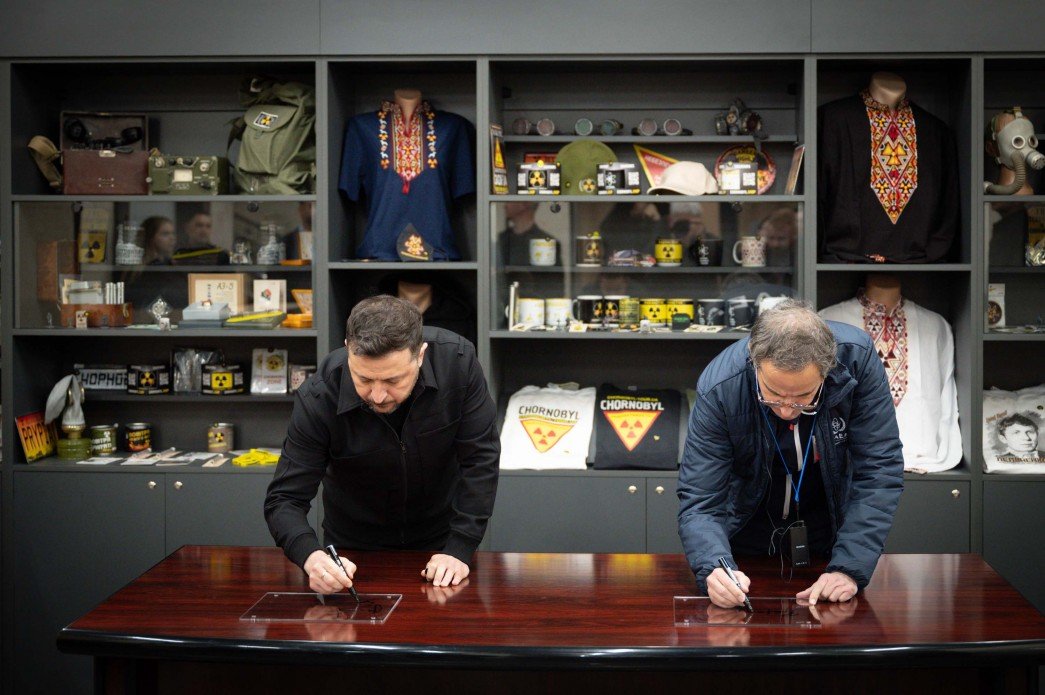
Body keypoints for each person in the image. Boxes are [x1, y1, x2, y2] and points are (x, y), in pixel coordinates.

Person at [677, 299, 904, 608]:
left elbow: (879, 470)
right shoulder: (721, 385)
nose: (786, 410)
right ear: (755, 362)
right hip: (746, 532)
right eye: (772, 395)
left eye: (802, 397)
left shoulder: (856, 359)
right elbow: (701, 496)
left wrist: (849, 567)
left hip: (829, 531)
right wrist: (714, 566)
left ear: (826, 371)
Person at [264, 295, 499, 591]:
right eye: (363, 379)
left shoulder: (458, 364)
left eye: (392, 381)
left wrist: (460, 546)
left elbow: (480, 460)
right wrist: (311, 557)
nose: (377, 396)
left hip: (442, 543)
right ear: (348, 350)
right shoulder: (320, 396)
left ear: (420, 355)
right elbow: (284, 499)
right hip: (352, 550)